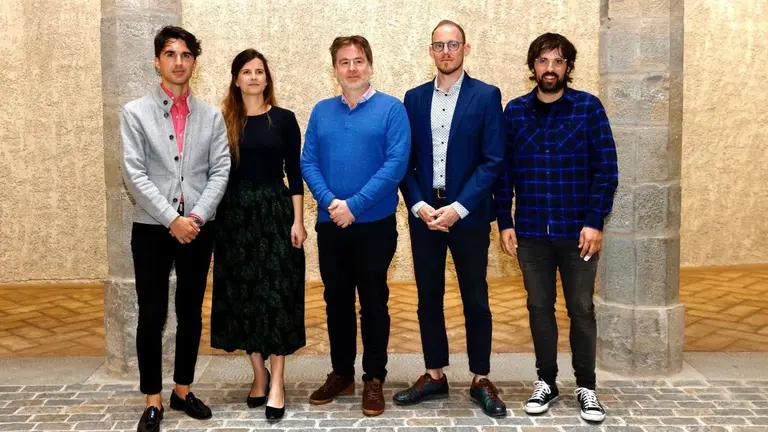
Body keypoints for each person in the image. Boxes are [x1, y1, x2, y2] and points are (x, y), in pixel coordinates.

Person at [493, 32, 618, 423]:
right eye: (544, 61)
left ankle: (587, 387)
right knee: (538, 308)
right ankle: (545, 381)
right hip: (530, 232)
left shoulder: (588, 108)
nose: (551, 68)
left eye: (559, 61)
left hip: (577, 232)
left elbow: (606, 171)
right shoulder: (514, 112)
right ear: (533, 67)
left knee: (581, 308)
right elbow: (503, 173)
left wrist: (594, 222)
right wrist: (505, 222)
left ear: (568, 67)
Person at [120, 25, 230, 432]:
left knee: (189, 312)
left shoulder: (212, 116)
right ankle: (153, 400)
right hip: (152, 228)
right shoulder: (135, 113)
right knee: (151, 314)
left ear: (194, 63)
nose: (178, 62)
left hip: (199, 229)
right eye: (171, 54)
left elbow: (220, 170)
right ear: (157, 61)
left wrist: (196, 219)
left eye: (186, 55)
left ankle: (183, 390)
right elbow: (134, 174)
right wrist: (172, 219)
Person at [394, 19, 507, 418]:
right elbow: (403, 161)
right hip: (425, 214)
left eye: (453, 44)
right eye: (439, 45)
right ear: (430, 51)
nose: (446, 51)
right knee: (428, 299)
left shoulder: (486, 96)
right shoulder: (413, 98)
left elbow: (493, 159)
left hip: (468, 215)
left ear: (466, 48)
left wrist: (459, 208)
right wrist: (419, 205)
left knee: (475, 298)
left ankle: (480, 378)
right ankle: (434, 374)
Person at [301, 35, 411, 417]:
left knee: (374, 302)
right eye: (344, 62)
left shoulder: (391, 110)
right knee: (336, 302)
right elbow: (308, 162)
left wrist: (355, 205)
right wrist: (333, 203)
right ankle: (342, 373)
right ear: (334, 69)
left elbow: (395, 164)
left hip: (374, 225)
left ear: (370, 65)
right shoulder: (321, 111)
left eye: (359, 61)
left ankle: (374, 378)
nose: (352, 68)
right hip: (331, 224)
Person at [210, 49, 306, 421]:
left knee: (278, 297)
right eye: (246, 72)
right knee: (246, 295)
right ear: (236, 79)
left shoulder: (284, 120)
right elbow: (216, 173)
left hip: (276, 213)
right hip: (235, 217)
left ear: (267, 79)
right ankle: (258, 375)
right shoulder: (224, 122)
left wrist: (297, 222)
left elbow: (294, 174)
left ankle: (279, 380)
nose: (253, 77)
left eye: (259, 72)